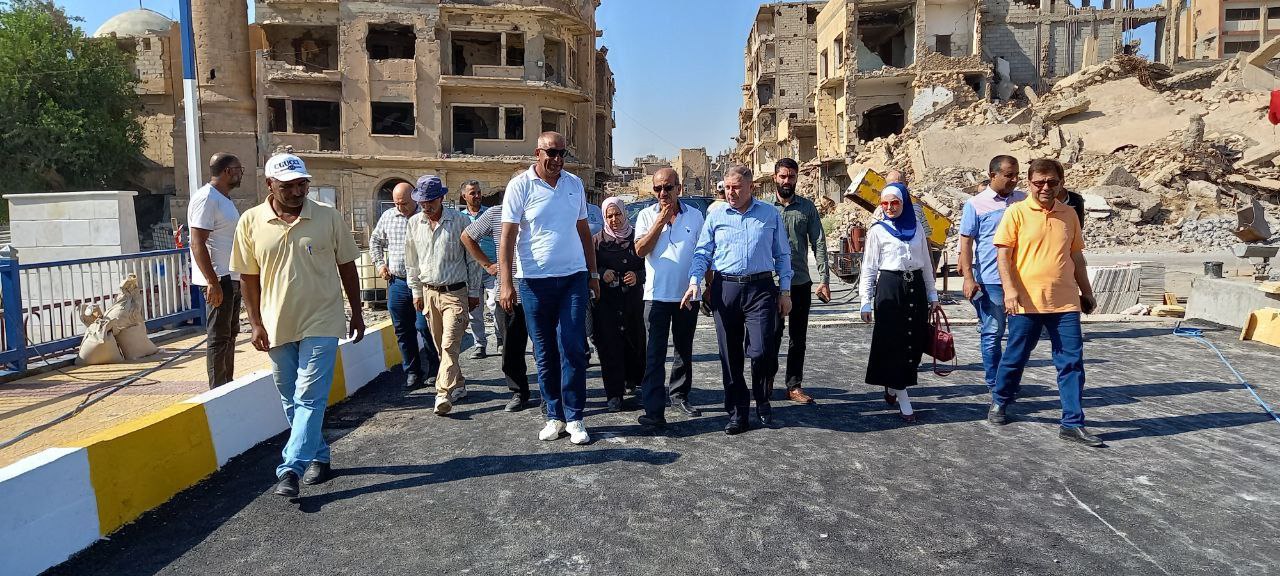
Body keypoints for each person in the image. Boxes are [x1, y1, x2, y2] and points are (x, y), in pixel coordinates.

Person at [231, 153, 364, 498]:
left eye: (302, 184)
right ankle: (318, 455)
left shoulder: (327, 216)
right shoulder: (250, 221)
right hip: (276, 322)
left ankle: (291, 467)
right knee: (290, 396)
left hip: (323, 318)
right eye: (288, 186)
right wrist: (255, 323)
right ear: (269, 184)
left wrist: (357, 311)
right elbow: (248, 277)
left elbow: (347, 266)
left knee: (309, 395)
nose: (296, 191)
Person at [988, 158, 1103, 448]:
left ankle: (1072, 423)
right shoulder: (1016, 212)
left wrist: (1087, 292)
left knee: (1071, 363)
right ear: (1029, 183)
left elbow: (1076, 257)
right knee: (1016, 357)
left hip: (1064, 303)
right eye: (1039, 182)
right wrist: (1009, 291)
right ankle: (1001, 399)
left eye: (1052, 182)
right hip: (1026, 302)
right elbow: (1003, 256)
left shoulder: (1069, 214)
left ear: (1061, 183)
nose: (1045, 188)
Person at [499, 131, 600, 445]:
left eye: (561, 153)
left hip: (573, 278)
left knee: (573, 347)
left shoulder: (574, 184)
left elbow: (583, 231)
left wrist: (593, 273)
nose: (557, 159)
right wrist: (506, 282)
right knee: (543, 352)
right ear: (537, 153)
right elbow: (507, 237)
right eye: (551, 153)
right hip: (533, 282)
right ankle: (554, 416)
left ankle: (575, 417)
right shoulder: (520, 186)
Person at [682, 165, 792, 435]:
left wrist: (785, 291)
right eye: (727, 188)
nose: (730, 193)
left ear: (750, 187)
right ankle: (737, 413)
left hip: (761, 288)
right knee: (729, 355)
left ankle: (762, 399)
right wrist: (695, 281)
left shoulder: (769, 213)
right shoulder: (716, 215)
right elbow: (702, 252)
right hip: (726, 288)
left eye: (737, 188)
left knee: (762, 350)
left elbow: (782, 254)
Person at [858, 182, 939, 423]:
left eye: (895, 203)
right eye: (885, 203)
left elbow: (926, 264)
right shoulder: (877, 230)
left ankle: (893, 386)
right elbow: (869, 268)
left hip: (915, 288)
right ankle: (904, 398)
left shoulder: (917, 228)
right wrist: (865, 301)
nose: (890, 208)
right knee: (894, 343)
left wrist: (933, 296)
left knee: (914, 341)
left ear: (904, 203)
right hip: (890, 288)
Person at [405, 175, 483, 417]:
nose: (426, 206)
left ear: (441, 198)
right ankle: (458, 384)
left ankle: (442, 393)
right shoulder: (414, 223)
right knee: (441, 347)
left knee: (450, 344)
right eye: (422, 201)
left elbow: (472, 260)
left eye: (430, 201)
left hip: (455, 293)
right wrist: (416, 291)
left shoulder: (460, 221)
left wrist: (473, 292)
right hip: (429, 293)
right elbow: (411, 261)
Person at [634, 168, 705, 428]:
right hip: (656, 297)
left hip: (687, 296)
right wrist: (659, 222)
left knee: (683, 350)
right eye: (658, 188)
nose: (663, 193)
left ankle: (679, 396)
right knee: (654, 354)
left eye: (668, 187)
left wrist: (707, 285)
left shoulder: (695, 216)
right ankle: (654, 410)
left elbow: (703, 252)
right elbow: (640, 250)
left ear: (679, 188)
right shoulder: (645, 216)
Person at [462, 183, 533, 413]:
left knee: (545, 346)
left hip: (539, 289)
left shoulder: (539, 209)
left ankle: (552, 394)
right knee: (511, 347)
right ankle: (518, 392)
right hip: (509, 291)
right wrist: (487, 265)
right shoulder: (495, 214)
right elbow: (467, 236)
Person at [958, 155, 1026, 392]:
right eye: (1009, 175)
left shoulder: (1023, 201)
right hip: (991, 281)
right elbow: (966, 243)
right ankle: (994, 383)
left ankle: (1010, 380)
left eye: (1017, 175)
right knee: (993, 332)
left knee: (1020, 334)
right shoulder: (975, 205)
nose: (1014, 180)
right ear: (992, 175)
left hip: (1021, 280)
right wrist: (969, 278)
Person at [770, 158, 830, 404]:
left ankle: (794, 386)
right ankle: (765, 383)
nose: (787, 181)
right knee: (770, 336)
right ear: (775, 178)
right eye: (783, 176)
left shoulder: (807, 208)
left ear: (796, 178)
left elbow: (819, 242)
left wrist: (824, 279)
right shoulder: (765, 209)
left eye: (791, 176)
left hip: (800, 283)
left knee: (798, 339)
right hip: (772, 284)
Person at [370, 182, 440, 390]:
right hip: (398, 283)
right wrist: (380, 264)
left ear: (415, 199)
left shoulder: (426, 216)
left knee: (425, 327)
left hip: (424, 283)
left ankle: (435, 369)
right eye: (397, 204)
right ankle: (412, 372)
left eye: (404, 203)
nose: (400, 207)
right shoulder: (388, 217)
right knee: (402, 329)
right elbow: (375, 241)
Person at [188, 152, 243, 388]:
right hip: (219, 279)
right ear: (228, 171)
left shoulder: (223, 199)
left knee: (230, 335)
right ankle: (218, 389)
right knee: (218, 338)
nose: (241, 174)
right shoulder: (206, 198)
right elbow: (197, 242)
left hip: (231, 277)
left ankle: (228, 384)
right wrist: (212, 282)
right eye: (239, 169)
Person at [592, 197, 646, 412]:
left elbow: (650, 265)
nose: (614, 220)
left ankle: (632, 381)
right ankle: (614, 394)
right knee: (609, 347)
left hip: (633, 301)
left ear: (625, 214)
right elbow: (588, 265)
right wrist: (601, 273)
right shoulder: (597, 241)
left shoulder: (637, 238)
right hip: (606, 303)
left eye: (617, 215)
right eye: (609, 216)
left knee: (635, 343)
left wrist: (638, 275)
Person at [459, 180, 498, 359]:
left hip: (492, 269)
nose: (477, 196)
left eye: (479, 192)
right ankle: (479, 345)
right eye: (472, 193)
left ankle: (501, 339)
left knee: (495, 306)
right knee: (475, 310)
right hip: (471, 271)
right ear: (464, 196)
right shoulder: (460, 218)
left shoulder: (490, 214)